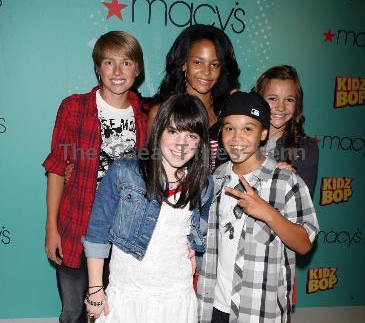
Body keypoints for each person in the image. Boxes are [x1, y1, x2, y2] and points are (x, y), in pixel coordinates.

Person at [43, 31, 147, 323]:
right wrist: (52, 226)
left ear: (137, 69)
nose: (117, 71)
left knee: (118, 313)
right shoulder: (74, 108)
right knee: (74, 313)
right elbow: (56, 169)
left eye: (126, 63)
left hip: (125, 237)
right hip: (77, 228)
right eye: (108, 62)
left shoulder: (146, 115)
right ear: (97, 67)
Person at [82, 93, 213, 323]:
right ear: (159, 131)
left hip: (176, 296)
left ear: (200, 141)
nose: (181, 145)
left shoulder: (203, 181)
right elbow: (97, 231)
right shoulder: (124, 171)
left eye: (191, 135)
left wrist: (193, 243)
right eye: (173, 132)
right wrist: (95, 290)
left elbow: (202, 219)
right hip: (128, 294)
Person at [197, 91, 319, 323]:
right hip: (214, 305)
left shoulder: (285, 181)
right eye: (229, 128)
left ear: (263, 133)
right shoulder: (217, 178)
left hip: (259, 310)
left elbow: (304, 244)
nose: (237, 137)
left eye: (248, 129)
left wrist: (268, 213)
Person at [146, 24, 240, 171]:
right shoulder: (161, 113)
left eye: (214, 65)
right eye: (198, 62)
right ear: (183, 63)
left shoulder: (231, 112)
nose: (206, 72)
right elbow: (149, 167)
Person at [254, 65, 319, 196]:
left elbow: (302, 205)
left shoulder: (306, 148)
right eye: (273, 98)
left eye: (289, 100)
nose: (281, 107)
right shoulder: (242, 138)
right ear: (259, 100)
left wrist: (293, 181)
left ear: (297, 104)